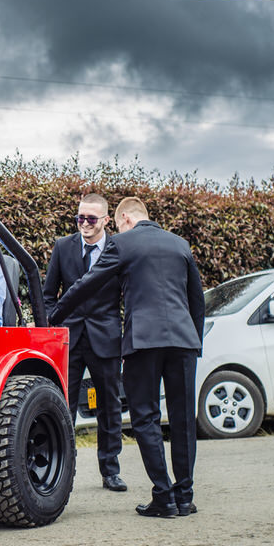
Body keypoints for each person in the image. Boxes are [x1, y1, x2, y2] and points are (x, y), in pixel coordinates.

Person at [49, 197, 205, 519]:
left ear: (124, 219)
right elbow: (196, 300)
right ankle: (184, 496)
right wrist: (195, 341)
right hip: (183, 342)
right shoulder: (180, 244)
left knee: (146, 418)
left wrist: (53, 316)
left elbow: (88, 284)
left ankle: (163, 496)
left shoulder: (122, 243)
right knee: (183, 419)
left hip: (143, 343)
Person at [42, 194, 126, 492]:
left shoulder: (119, 249)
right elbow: (48, 294)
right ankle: (62, 472)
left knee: (109, 406)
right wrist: (55, 326)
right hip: (70, 338)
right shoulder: (63, 246)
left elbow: (127, 295)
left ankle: (110, 470)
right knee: (63, 405)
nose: (85, 224)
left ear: (105, 220)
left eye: (91, 218)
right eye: (80, 218)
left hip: (106, 337)